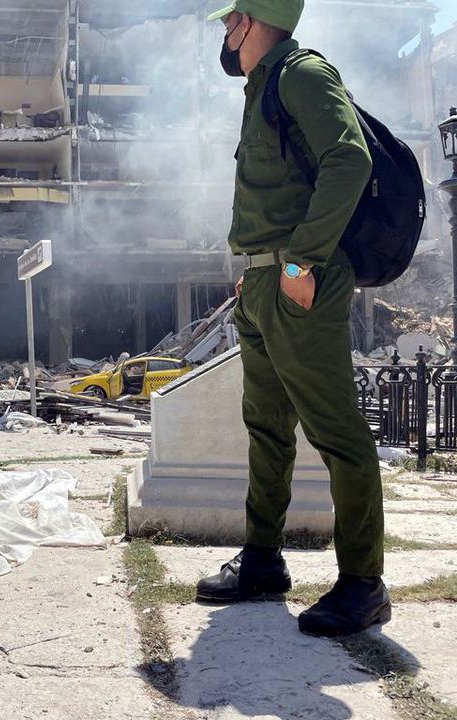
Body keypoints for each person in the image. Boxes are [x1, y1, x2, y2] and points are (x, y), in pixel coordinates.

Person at [198, 0, 388, 638]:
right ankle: (262, 560)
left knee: (337, 432)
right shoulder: (263, 88)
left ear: (252, 22)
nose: (226, 34)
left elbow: (350, 158)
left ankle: (364, 585)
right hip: (263, 281)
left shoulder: (302, 73)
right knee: (267, 426)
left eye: (231, 22)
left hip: (299, 282)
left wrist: (300, 263)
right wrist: (255, 265)